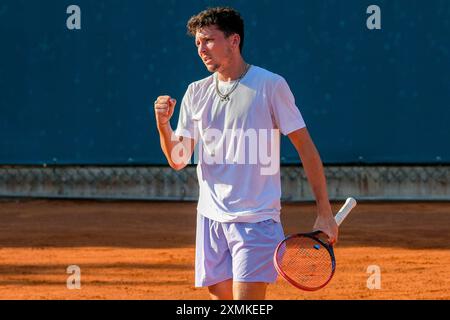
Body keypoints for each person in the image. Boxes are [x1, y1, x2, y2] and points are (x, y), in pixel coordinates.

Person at [153, 7, 338, 300]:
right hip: (210, 219)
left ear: (234, 40)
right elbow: (178, 159)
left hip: (256, 221)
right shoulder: (195, 92)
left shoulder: (270, 85)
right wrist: (163, 125)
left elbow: (306, 148)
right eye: (197, 43)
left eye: (209, 40)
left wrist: (325, 213)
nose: (201, 49)